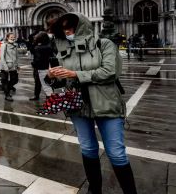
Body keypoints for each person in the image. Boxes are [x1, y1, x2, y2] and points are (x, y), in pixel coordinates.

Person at [49, 13, 136, 194]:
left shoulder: (103, 44)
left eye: (71, 27)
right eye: (64, 29)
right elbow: (63, 80)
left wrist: (76, 74)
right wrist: (53, 77)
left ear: (83, 26)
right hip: (78, 105)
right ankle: (94, 190)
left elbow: (110, 72)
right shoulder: (63, 49)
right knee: (88, 148)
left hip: (106, 102)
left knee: (116, 153)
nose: (68, 32)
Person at [29, 32, 52, 101]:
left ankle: (48, 99)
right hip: (48, 67)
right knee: (47, 83)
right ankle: (44, 97)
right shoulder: (49, 45)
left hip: (40, 68)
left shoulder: (38, 48)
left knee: (41, 83)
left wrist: (33, 64)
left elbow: (36, 57)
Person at [0, 33, 19, 101]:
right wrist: (5, 67)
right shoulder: (4, 45)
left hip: (13, 66)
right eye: (11, 37)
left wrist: (17, 65)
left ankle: (6, 88)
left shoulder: (15, 45)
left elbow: (16, 56)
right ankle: (7, 95)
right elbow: (2, 57)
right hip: (5, 66)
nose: (13, 38)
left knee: (15, 80)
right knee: (5, 81)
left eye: (14, 37)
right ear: (7, 38)